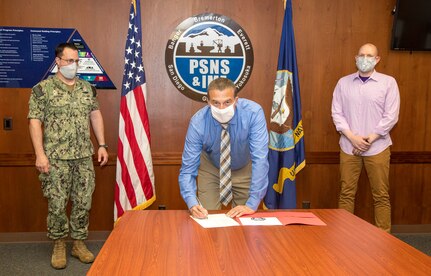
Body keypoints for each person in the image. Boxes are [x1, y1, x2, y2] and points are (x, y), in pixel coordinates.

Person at [28, 43, 109, 269]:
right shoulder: (42, 89)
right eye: (69, 61)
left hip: (83, 156)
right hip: (55, 158)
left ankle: (79, 243)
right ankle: (59, 244)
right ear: (59, 61)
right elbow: (35, 122)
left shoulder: (87, 89)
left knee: (84, 202)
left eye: (76, 61)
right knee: (57, 203)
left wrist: (102, 144)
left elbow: (95, 115)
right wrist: (40, 155)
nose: (73, 65)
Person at [331, 43, 400, 233]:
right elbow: (337, 113)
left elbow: (391, 116)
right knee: (346, 194)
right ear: (356, 58)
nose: (365, 59)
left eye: (370, 55)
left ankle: (384, 236)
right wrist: (353, 138)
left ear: (377, 59)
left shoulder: (388, 83)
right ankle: (344, 235)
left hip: (377, 147)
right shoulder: (343, 83)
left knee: (381, 195)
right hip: (348, 147)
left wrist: (370, 139)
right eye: (361, 55)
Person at [179, 78, 269, 219]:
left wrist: (252, 204)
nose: (221, 108)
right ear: (208, 102)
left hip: (244, 167)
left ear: (236, 100)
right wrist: (191, 202)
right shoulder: (198, 122)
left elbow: (260, 158)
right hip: (211, 167)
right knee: (206, 217)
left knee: (244, 219)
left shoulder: (253, 113)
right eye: (216, 103)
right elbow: (187, 168)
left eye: (227, 102)